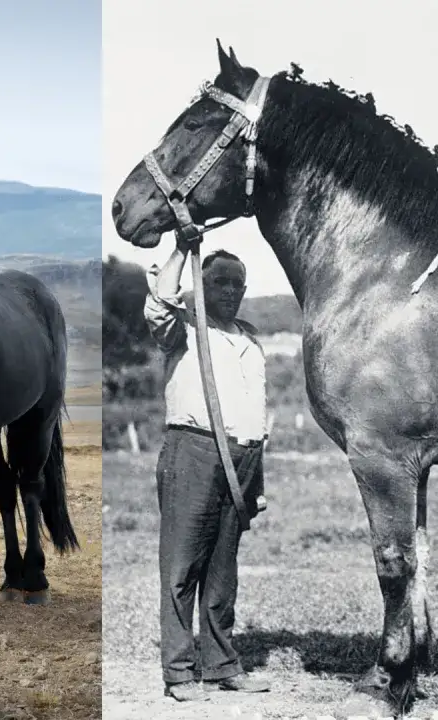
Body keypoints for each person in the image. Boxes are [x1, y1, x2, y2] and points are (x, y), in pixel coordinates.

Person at [144, 238, 270, 702]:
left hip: (243, 459)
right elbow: (160, 303)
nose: (230, 291)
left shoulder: (250, 337)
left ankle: (221, 666)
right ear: (200, 286)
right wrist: (180, 250)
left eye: (238, 283)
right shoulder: (184, 328)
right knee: (181, 567)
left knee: (222, 572)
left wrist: (257, 481)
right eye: (219, 281)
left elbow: (257, 413)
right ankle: (178, 673)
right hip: (193, 451)